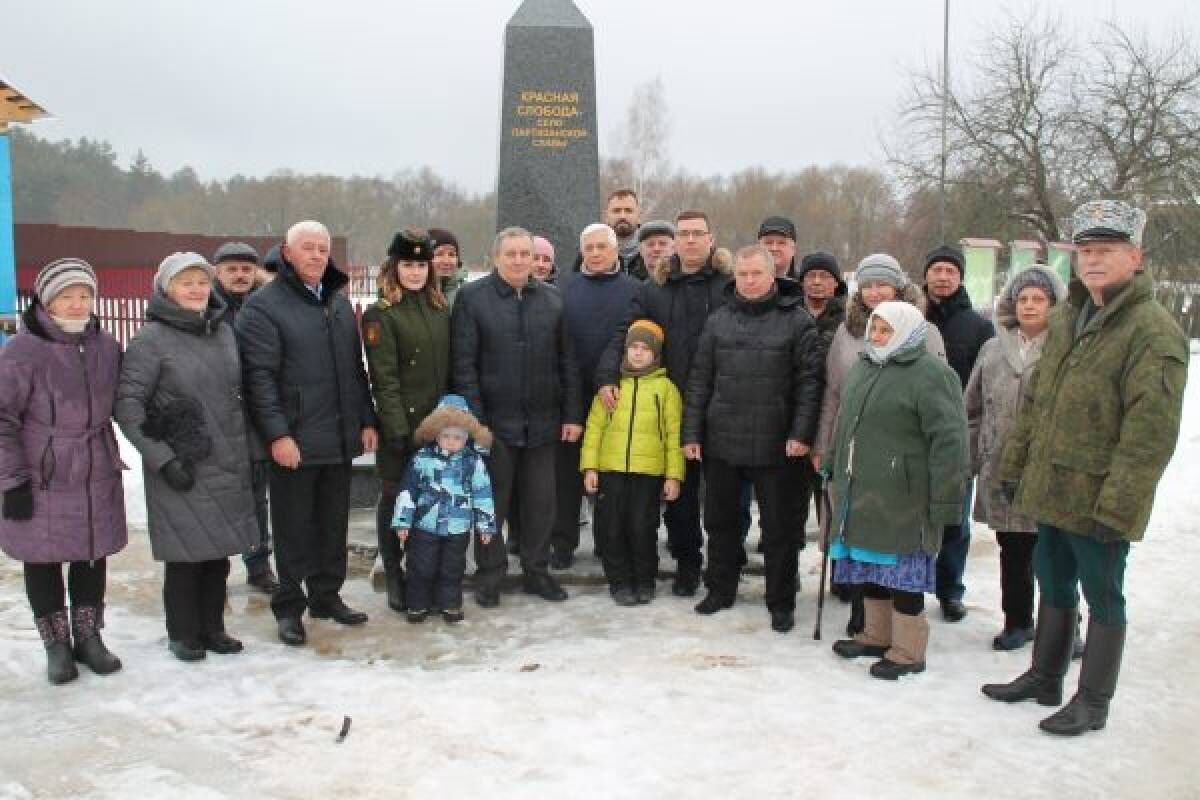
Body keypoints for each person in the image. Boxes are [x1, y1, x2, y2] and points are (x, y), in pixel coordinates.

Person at [982, 200, 1187, 736]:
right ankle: (1045, 677)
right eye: (1086, 251)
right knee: (1052, 579)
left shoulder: (1151, 330)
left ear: (1135, 257)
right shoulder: (1070, 315)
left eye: (1106, 251)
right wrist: (1016, 459)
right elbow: (1042, 398)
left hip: (1098, 494)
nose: (1093, 261)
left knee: (1103, 594)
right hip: (1051, 485)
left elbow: (1151, 432)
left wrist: (1119, 504)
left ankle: (1093, 700)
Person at [237, 220, 379, 646]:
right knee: (294, 528)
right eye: (308, 248)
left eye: (323, 248)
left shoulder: (335, 303)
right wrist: (278, 435)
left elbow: (355, 371)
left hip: (336, 437)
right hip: (295, 441)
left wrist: (366, 419)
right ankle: (289, 606)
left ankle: (326, 595)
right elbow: (258, 380)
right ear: (288, 252)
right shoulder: (264, 306)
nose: (317, 255)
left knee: (332, 524)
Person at [116, 253, 259, 661]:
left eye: (201, 282)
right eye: (186, 283)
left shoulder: (222, 332)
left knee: (217, 555)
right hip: (182, 463)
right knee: (185, 556)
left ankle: (213, 627)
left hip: (226, 458)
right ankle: (182, 632)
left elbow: (236, 396)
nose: (196, 290)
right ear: (167, 289)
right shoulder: (151, 341)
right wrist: (163, 458)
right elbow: (128, 407)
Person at [682, 245, 825, 633]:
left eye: (755, 274)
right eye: (741, 274)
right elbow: (700, 379)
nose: (747, 281)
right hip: (723, 440)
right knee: (720, 522)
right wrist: (692, 432)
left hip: (777, 444)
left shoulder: (797, 322)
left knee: (780, 528)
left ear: (771, 276)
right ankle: (720, 589)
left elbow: (809, 384)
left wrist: (801, 433)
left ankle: (780, 600)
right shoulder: (718, 321)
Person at [0, 259, 126, 683]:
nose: (77, 304)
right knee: (43, 557)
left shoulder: (107, 346)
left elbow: (126, 401)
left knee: (92, 551)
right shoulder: (23, 350)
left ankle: (89, 637)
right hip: (42, 471)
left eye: (85, 295)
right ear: (46, 300)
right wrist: (11, 480)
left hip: (95, 466)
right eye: (66, 296)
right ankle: (56, 644)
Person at [827, 301, 968, 680]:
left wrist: (946, 499)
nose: (877, 336)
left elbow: (950, 441)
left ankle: (908, 651)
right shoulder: (864, 367)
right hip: (862, 489)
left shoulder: (931, 375)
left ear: (908, 331)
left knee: (903, 576)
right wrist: (831, 461)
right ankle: (875, 635)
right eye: (874, 328)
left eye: (886, 330)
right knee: (871, 567)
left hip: (906, 494)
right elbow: (845, 423)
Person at [596, 210, 732, 597]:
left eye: (697, 234)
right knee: (682, 497)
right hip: (672, 405)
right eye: (683, 234)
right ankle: (688, 566)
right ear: (674, 242)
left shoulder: (729, 285)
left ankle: (725, 567)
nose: (690, 240)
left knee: (724, 499)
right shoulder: (655, 288)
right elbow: (626, 333)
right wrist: (607, 375)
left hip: (723, 403)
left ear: (710, 239)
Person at [814, 254, 946, 633]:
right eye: (867, 285)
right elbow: (833, 394)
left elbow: (936, 403)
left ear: (898, 288)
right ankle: (866, 621)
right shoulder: (846, 332)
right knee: (856, 535)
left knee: (893, 546)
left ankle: (901, 636)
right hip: (853, 452)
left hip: (897, 460)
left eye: (882, 284)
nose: (874, 292)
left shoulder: (924, 333)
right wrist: (826, 443)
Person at [451, 226, 582, 607]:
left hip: (543, 423)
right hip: (494, 425)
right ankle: (490, 575)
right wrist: (477, 424)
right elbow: (464, 366)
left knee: (542, 504)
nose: (520, 260)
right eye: (511, 254)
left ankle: (536, 571)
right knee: (492, 504)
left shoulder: (554, 300)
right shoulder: (472, 299)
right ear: (496, 258)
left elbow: (567, 362)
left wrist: (572, 414)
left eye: (526, 254)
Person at [965, 264, 1066, 650]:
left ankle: (1063, 627)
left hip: (1046, 469)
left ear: (1054, 304)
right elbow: (971, 408)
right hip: (998, 466)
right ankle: (1017, 621)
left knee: (1054, 555)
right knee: (1013, 551)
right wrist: (969, 458)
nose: (1029, 306)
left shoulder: (1065, 348)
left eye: (1038, 299)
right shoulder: (993, 348)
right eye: (1022, 298)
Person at [361, 229, 450, 614]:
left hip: (438, 426)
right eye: (407, 264)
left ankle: (422, 571)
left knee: (431, 501)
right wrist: (396, 429)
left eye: (421, 264)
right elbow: (385, 379)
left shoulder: (439, 308)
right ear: (393, 267)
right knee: (396, 500)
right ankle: (395, 572)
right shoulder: (380, 314)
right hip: (403, 426)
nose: (415, 272)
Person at [551, 223, 639, 568]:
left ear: (616, 249)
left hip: (618, 393)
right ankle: (562, 543)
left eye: (603, 247)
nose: (596, 253)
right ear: (581, 251)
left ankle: (609, 542)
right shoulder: (561, 288)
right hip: (570, 394)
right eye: (589, 248)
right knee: (567, 476)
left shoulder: (635, 290)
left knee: (612, 475)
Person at [581, 320, 683, 605]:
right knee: (611, 528)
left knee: (642, 527)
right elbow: (594, 430)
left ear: (656, 354)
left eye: (644, 349)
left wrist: (673, 475)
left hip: (648, 473)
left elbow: (674, 435)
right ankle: (620, 581)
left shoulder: (665, 390)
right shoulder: (610, 389)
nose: (638, 354)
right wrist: (590, 467)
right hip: (611, 470)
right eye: (633, 348)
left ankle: (644, 580)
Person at [923, 244, 996, 622]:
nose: (943, 276)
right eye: (936, 269)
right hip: (914, 435)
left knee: (954, 519)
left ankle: (950, 590)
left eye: (951, 270)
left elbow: (986, 385)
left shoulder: (979, 326)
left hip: (957, 436)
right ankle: (910, 584)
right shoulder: (912, 317)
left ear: (961, 277)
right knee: (915, 516)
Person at [392, 394, 496, 624]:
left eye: (457, 437)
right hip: (424, 526)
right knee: (421, 566)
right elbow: (408, 491)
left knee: (452, 568)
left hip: (457, 528)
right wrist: (403, 521)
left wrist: (485, 525)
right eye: (446, 436)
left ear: (467, 438)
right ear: (435, 434)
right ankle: (418, 604)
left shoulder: (473, 462)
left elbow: (482, 494)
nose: (451, 441)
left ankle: (449, 604)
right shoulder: (421, 459)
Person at [212, 241, 279, 595]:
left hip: (256, 416)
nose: (239, 275)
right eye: (231, 269)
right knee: (221, 496)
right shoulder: (206, 309)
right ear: (218, 272)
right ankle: (216, 566)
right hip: (220, 418)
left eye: (245, 269)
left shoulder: (265, 306)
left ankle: (258, 563)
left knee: (256, 496)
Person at [603, 188, 642, 264]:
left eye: (628, 210)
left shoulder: (653, 251)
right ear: (606, 216)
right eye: (616, 211)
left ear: (639, 216)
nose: (622, 216)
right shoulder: (592, 252)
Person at [429, 228, 467, 306]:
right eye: (439, 254)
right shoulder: (415, 293)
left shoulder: (469, 293)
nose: (446, 261)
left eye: (451, 255)